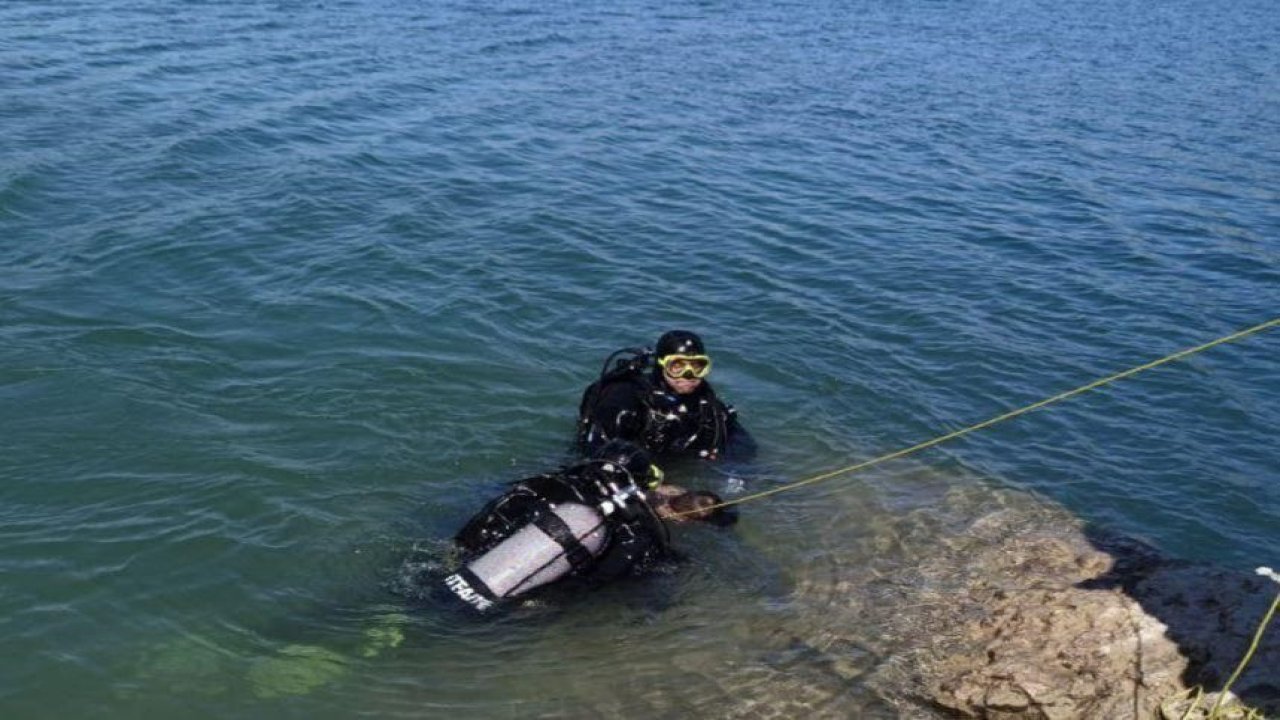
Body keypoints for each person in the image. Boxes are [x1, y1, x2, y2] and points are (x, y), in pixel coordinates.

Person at [444, 440, 732, 612]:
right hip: (523, 601)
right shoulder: (643, 533)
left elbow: (485, 524)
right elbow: (608, 583)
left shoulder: (546, 483)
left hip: (465, 568)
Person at [576, 330, 753, 462]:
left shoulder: (707, 404)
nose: (688, 374)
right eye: (677, 366)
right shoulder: (626, 398)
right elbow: (598, 453)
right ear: (661, 366)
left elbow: (741, 442)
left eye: (697, 366)